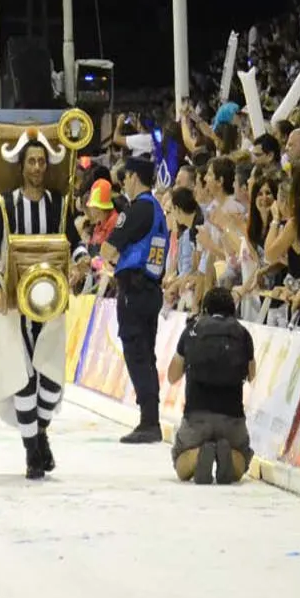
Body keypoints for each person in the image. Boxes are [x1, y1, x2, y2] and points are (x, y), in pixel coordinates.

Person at [0, 127, 88, 478]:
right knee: (23, 379)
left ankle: (40, 433)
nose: (36, 167)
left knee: (49, 383)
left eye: (41, 161)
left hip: (50, 305)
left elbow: (75, 242)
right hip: (15, 308)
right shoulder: (7, 205)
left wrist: (82, 261)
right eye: (30, 161)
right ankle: (32, 452)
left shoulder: (59, 203)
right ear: (21, 167)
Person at [100, 156, 170, 443]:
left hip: (135, 287)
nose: (124, 184)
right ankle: (150, 418)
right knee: (146, 352)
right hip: (152, 287)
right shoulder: (157, 211)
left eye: (125, 178)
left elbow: (106, 249)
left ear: (134, 177)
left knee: (136, 353)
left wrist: (116, 260)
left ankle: (149, 421)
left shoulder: (137, 209)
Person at [168, 288, 256, 484]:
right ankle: (228, 456)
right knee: (241, 457)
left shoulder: (192, 330)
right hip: (232, 417)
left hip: (197, 416)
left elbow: (172, 376)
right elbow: (252, 375)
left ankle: (199, 454)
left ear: (205, 310)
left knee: (181, 461)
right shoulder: (242, 334)